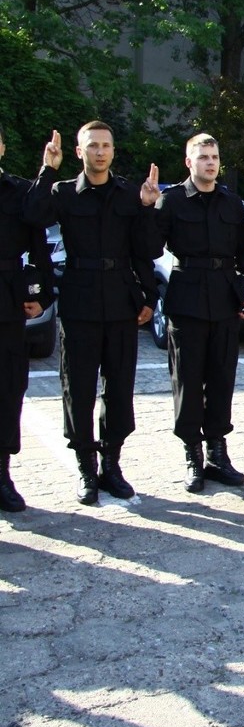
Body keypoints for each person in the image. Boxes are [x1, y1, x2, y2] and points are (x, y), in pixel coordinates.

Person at [24, 123, 159, 505]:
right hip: (80, 299)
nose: (100, 152)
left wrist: (149, 210)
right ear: (80, 152)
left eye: (106, 146)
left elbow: (145, 250)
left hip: (120, 301)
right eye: (92, 146)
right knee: (78, 388)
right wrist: (47, 169)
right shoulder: (64, 192)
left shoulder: (132, 194)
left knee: (119, 389)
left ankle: (111, 465)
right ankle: (86, 466)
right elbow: (33, 216)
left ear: (113, 151)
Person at [153, 134, 244, 493]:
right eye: (203, 157)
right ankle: (192, 456)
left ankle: (218, 453)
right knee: (187, 380)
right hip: (187, 297)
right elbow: (149, 247)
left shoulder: (231, 202)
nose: (210, 163)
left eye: (215, 156)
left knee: (221, 380)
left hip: (224, 296)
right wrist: (147, 210)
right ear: (189, 162)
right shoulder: (170, 200)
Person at [0, 124, 53, 513]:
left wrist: (39, 292)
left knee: (7, 388)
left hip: (6, 300)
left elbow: (38, 243)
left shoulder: (20, 191)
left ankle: (2, 475)